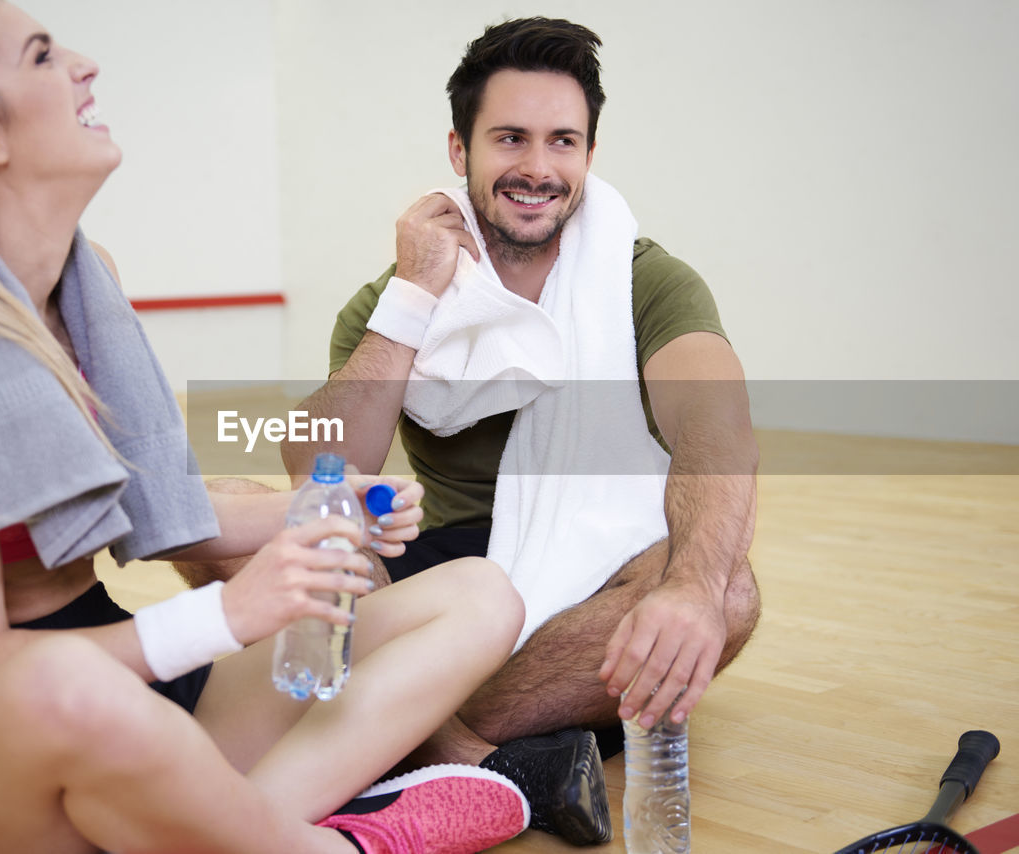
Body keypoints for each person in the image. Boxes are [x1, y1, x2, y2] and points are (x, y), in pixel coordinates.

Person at [0, 2, 536, 852]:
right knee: (62, 685)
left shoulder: (89, 286)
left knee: (481, 597)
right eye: (43, 55)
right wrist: (227, 615)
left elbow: (155, 506)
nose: (82, 64)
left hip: (138, 687)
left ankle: (233, 829)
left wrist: (336, 505)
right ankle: (331, 842)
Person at [277, 16, 763, 846]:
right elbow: (320, 469)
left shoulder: (643, 280)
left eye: (563, 141)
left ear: (589, 154)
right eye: (510, 139)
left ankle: (399, 730)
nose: (538, 168)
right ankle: (483, 749)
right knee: (258, 527)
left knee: (728, 589)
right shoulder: (393, 298)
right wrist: (412, 298)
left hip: (587, 574)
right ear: (460, 152)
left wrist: (688, 589)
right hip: (446, 568)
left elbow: (715, 429)